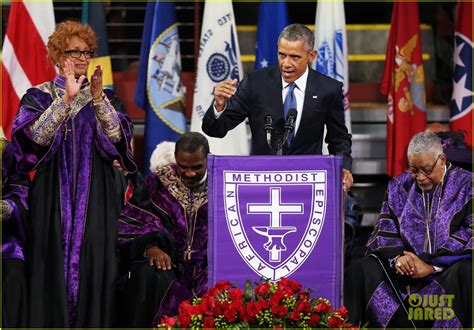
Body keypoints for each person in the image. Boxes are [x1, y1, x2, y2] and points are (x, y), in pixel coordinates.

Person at [11, 20, 136, 327]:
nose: (83, 58)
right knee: (50, 264)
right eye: (75, 52)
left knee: (96, 265)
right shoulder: (38, 96)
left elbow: (119, 140)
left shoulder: (102, 97)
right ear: (57, 55)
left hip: (97, 196)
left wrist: (97, 98)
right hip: (51, 196)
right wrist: (65, 100)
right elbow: (30, 143)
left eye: (87, 52)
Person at [202, 23, 353, 191]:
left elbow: (338, 138)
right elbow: (216, 129)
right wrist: (219, 105)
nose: (286, 64)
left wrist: (344, 167)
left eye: (294, 57)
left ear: (311, 56)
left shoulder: (328, 89)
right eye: (282, 55)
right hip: (262, 183)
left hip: (308, 184)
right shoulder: (255, 83)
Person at [345, 132, 472, 328]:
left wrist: (431, 266)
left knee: (466, 271)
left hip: (447, 274)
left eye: (426, 169)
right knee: (361, 268)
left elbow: (471, 232)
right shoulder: (399, 186)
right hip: (404, 278)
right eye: (414, 170)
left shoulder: (467, 185)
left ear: (442, 160)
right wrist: (399, 259)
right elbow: (385, 230)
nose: (420, 177)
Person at [118, 132, 209, 327]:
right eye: (184, 167)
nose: (190, 173)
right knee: (148, 274)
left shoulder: (225, 182)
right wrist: (151, 247)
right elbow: (134, 217)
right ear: (176, 159)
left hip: (208, 266)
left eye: (197, 167)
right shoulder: (157, 183)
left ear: (207, 159)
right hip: (170, 264)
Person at [1, 138, 29, 328]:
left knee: (13, 270)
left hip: (4, 241)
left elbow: (20, 189)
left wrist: (7, 207)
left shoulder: (5, 150)